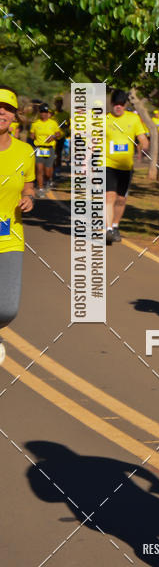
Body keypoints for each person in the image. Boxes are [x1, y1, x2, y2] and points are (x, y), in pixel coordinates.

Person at [0, 86, 35, 364]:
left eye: (8, 108)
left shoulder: (25, 151)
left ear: (14, 117)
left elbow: (29, 187)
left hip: (9, 236)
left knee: (7, 309)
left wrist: (28, 199)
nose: (2, 112)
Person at [105, 89, 148, 244]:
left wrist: (144, 144)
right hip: (108, 164)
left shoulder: (134, 119)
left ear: (125, 105)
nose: (119, 106)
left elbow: (142, 137)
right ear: (111, 104)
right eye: (116, 103)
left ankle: (115, 226)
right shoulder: (104, 120)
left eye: (121, 104)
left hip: (126, 167)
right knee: (109, 196)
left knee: (121, 199)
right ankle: (108, 229)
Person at [30, 103, 62, 197]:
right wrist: (32, 136)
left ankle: (48, 180)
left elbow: (58, 134)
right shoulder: (35, 124)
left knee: (47, 172)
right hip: (39, 148)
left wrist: (53, 136)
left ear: (48, 113)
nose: (44, 114)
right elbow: (32, 135)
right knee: (39, 169)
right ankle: (40, 189)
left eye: (45, 112)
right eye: (42, 112)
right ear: (40, 113)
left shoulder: (53, 123)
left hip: (50, 149)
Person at [52, 96, 70, 178]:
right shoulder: (52, 113)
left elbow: (68, 124)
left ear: (62, 103)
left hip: (61, 136)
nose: (58, 104)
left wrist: (64, 127)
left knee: (58, 153)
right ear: (55, 103)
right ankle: (51, 168)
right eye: (57, 102)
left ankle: (58, 170)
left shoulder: (66, 114)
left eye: (60, 102)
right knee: (52, 153)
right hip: (52, 136)